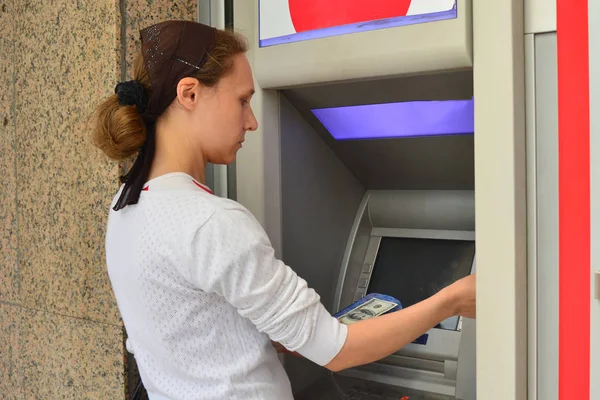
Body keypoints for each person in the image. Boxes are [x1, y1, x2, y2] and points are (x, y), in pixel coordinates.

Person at [92, 20, 476, 400]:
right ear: (189, 94)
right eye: (242, 100)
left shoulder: (125, 206)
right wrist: (452, 300)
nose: (252, 121)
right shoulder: (209, 221)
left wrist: (291, 330)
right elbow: (339, 352)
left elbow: (192, 335)